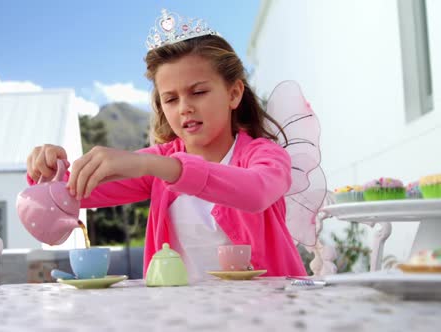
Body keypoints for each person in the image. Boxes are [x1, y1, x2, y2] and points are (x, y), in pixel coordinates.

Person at [26, 9, 308, 280]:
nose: (184, 108)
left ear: (233, 94)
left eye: (198, 92)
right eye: (171, 99)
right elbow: (75, 191)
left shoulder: (265, 155)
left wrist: (155, 166)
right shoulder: (159, 162)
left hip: (268, 315)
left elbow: (256, 192)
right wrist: (50, 171)